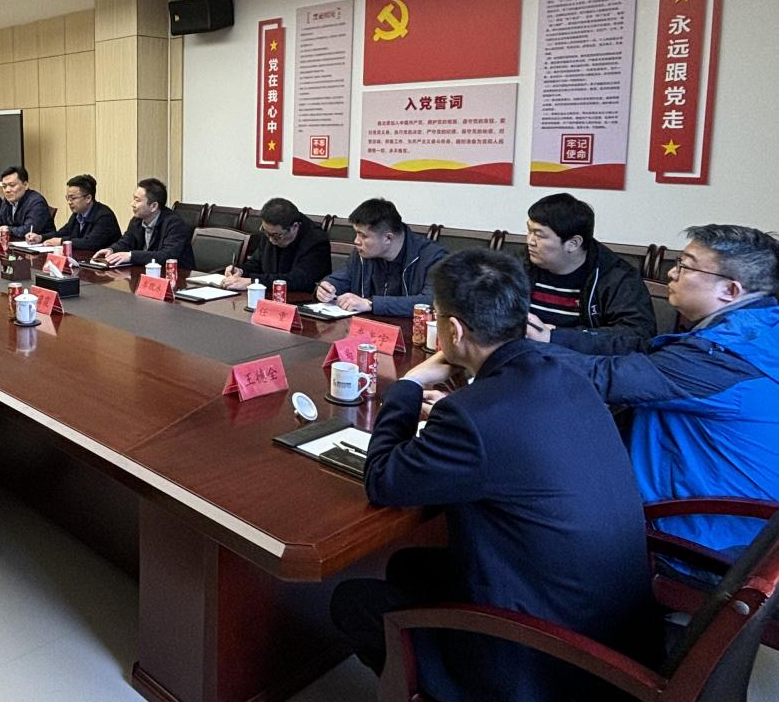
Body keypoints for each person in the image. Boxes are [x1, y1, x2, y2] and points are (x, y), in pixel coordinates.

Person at [330, 249, 655, 701]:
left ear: (454, 330)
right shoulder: (567, 375)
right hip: (617, 627)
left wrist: (408, 385)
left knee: (352, 601)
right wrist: (463, 409)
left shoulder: (472, 416)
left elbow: (383, 479)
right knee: (409, 565)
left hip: (548, 656)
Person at [534, 224, 779, 556]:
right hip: (746, 525)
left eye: (686, 266)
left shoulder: (724, 356)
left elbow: (606, 377)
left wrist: (504, 347)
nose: (671, 273)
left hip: (706, 539)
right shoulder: (760, 331)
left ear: (730, 290)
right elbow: (644, 353)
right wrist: (551, 338)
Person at [522, 192, 656, 348]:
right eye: (529, 231)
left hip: (581, 360)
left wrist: (556, 336)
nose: (530, 241)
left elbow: (638, 335)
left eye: (539, 235)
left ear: (573, 243)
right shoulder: (519, 265)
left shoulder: (617, 277)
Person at [315, 198, 446, 315]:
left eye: (363, 236)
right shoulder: (362, 253)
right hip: (366, 328)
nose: (356, 241)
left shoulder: (433, 257)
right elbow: (341, 279)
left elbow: (431, 301)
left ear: (388, 238)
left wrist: (371, 304)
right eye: (356, 233)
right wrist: (326, 288)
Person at [221, 198, 329, 292]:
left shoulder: (316, 241)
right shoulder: (270, 231)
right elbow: (256, 264)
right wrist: (241, 271)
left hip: (301, 299)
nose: (271, 240)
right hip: (270, 295)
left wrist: (252, 282)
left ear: (294, 227)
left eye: (276, 236)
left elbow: (298, 280)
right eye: (266, 232)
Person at [95, 178, 194, 268]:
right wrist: (112, 250)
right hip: (146, 271)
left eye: (137, 200)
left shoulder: (175, 224)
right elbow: (126, 241)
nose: (132, 204)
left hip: (177, 275)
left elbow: (167, 256)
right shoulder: (137, 220)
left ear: (153, 206)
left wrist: (131, 256)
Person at [26, 173, 121, 251]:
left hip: (104, 264)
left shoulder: (104, 216)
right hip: (84, 259)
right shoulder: (77, 214)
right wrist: (41, 237)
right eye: (68, 198)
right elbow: (63, 232)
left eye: (73, 198)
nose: (69, 202)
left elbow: (90, 243)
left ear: (88, 198)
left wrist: (61, 241)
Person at [0, 165, 54, 236]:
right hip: (16, 244)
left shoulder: (36, 202)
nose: (7, 190)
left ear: (25, 185)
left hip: (41, 246)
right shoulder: (7, 200)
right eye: (4, 186)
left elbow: (29, 230)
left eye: (12, 185)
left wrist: (8, 229)